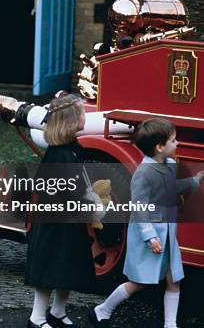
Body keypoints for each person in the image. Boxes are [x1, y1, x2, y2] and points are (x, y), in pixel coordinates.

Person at [89, 118, 204, 328]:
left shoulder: (168, 165)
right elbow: (140, 208)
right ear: (160, 147)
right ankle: (103, 309)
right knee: (139, 282)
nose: (177, 144)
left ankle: (170, 324)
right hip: (151, 237)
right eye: (174, 140)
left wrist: (195, 181)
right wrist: (150, 237)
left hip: (168, 235)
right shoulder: (143, 173)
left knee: (174, 279)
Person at [24, 94, 97, 328]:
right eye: (82, 113)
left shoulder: (73, 149)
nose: (86, 116)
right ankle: (36, 318)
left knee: (67, 267)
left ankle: (58, 311)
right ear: (71, 120)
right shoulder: (60, 155)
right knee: (49, 270)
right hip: (53, 224)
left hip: (68, 223)